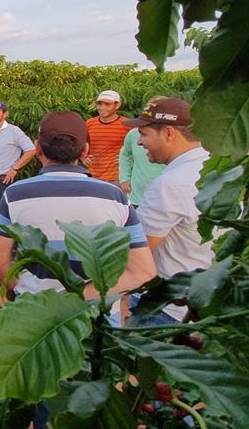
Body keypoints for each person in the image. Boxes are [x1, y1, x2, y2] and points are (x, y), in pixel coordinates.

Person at [0, 111, 156, 429]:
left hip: (39, 323)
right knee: (93, 402)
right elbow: (143, 270)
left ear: (38, 149)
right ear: (84, 152)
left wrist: (17, 296)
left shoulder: (15, 195)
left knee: (44, 400)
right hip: (97, 327)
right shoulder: (116, 197)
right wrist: (86, 295)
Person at [124, 98, 213, 324]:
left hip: (165, 310)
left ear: (169, 133)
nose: (140, 142)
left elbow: (137, 254)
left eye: (144, 134)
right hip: (202, 299)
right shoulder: (215, 168)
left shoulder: (170, 184)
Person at [0, 101, 37, 225]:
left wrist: (15, 169)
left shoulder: (14, 131)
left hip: (3, 179)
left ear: (5, 114)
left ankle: (9, 241)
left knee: (5, 213)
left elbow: (31, 150)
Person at [118, 97, 167, 207]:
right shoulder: (133, 134)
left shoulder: (174, 138)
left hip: (165, 200)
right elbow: (125, 154)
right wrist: (124, 178)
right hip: (137, 198)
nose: (140, 142)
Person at [84, 90, 131, 183]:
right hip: (93, 177)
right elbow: (81, 143)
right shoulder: (89, 124)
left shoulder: (127, 125)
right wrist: (83, 157)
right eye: (99, 104)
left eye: (107, 104)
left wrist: (129, 159)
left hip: (118, 178)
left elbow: (140, 147)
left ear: (117, 105)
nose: (102, 107)